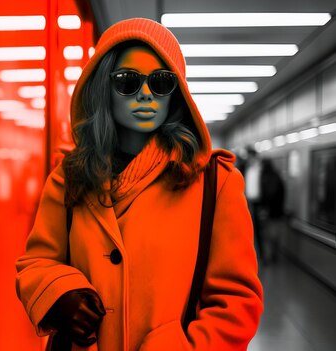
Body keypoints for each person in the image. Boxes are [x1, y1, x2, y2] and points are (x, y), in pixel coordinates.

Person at [15, 18, 263, 351]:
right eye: (127, 81)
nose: (146, 94)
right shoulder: (69, 176)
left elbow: (236, 301)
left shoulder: (214, 182)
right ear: (104, 86)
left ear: (176, 93)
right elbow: (37, 262)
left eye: (161, 82)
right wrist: (58, 291)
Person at [259, 159, 286, 263]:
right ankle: (274, 255)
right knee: (275, 234)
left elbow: (269, 195)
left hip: (270, 211)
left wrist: (264, 208)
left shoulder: (268, 178)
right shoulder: (277, 176)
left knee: (268, 235)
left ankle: (268, 256)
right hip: (278, 211)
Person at [243, 146, 265, 262]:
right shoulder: (247, 169)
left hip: (259, 203)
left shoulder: (262, 169)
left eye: (250, 157)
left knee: (260, 230)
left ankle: (262, 255)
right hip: (247, 202)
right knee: (248, 229)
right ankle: (250, 254)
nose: (248, 159)